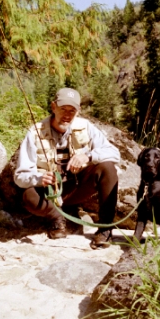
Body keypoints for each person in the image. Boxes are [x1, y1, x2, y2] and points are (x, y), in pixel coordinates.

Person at [14, 87, 120, 249]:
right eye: (63, 109)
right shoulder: (35, 132)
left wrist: (88, 156)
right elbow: (20, 176)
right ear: (53, 107)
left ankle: (105, 228)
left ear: (78, 111)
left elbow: (114, 153)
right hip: (48, 194)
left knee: (108, 167)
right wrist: (39, 179)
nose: (67, 115)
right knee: (28, 195)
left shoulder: (86, 127)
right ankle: (56, 217)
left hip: (76, 189)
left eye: (72, 110)